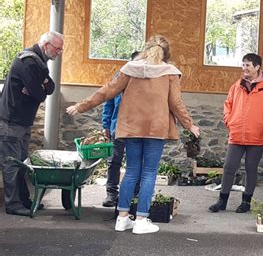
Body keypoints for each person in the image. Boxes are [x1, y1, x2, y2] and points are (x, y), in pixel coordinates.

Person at [67, 35, 199, 234]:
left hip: (131, 128)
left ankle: (122, 219)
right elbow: (175, 103)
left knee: (131, 171)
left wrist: (81, 106)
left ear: (145, 50)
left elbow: (106, 92)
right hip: (155, 129)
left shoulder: (129, 69)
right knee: (148, 173)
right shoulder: (170, 73)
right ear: (166, 53)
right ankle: (141, 220)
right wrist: (190, 125)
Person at [0, 31, 63, 216]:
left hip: (22, 121)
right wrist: (40, 87)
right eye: (57, 48)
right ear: (46, 45)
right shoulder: (28, 61)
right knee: (11, 164)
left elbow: (50, 88)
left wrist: (41, 84)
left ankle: (25, 200)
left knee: (21, 163)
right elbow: (40, 94)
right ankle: (12, 204)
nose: (59, 52)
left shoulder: (39, 63)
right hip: (11, 121)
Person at [208, 53, 263, 213]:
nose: (244, 68)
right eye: (243, 65)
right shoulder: (236, 86)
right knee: (229, 167)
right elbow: (228, 104)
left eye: (247, 65)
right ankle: (222, 200)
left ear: (257, 67)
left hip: (257, 135)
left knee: (250, 168)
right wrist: (229, 121)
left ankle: (246, 202)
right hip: (237, 133)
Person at [101, 51, 140, 207]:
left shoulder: (146, 81)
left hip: (138, 129)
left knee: (135, 162)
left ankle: (134, 195)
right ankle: (111, 194)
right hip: (117, 126)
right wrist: (106, 124)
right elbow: (108, 101)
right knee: (114, 161)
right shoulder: (119, 77)